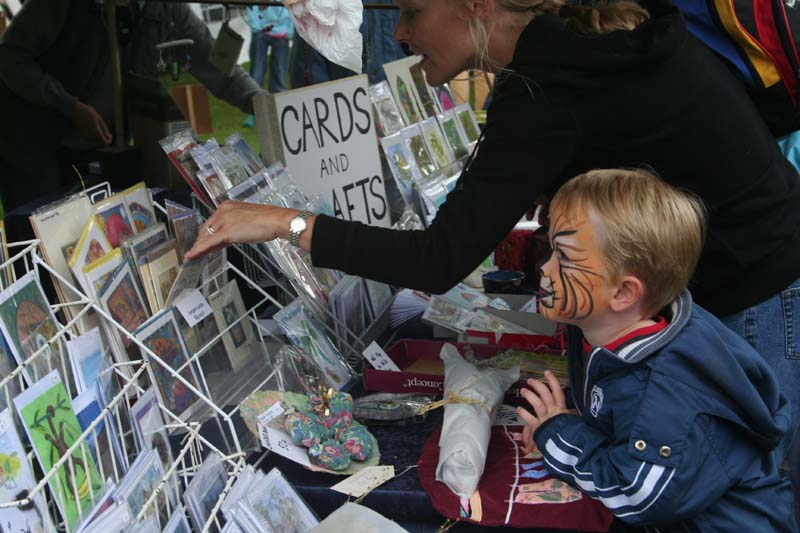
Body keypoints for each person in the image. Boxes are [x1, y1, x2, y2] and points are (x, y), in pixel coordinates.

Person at [186, 0, 800, 477]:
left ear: (477, 5)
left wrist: (283, 222)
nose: (398, 34)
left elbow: (437, 258)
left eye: (413, 12)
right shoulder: (579, 52)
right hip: (754, 269)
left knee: (742, 483)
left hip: (748, 290)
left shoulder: (547, 86)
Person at [515, 168, 795, 530]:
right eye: (550, 248)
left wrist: (557, 435)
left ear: (623, 293)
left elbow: (637, 496)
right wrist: (571, 420)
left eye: (564, 257)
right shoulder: (614, 334)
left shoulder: (664, 390)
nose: (544, 267)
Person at [0, 0, 263, 214]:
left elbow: (216, 63)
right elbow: (10, 57)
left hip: (98, 148)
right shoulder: (62, 5)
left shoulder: (167, 8)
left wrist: (262, 105)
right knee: (38, 230)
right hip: (32, 143)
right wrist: (70, 106)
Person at [241, 5, 294, 128]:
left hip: (282, 33)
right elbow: (251, 6)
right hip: (260, 31)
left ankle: (279, 111)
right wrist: (257, 27)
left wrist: (289, 31)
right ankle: (253, 112)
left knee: (279, 74)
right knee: (257, 73)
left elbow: (292, 6)